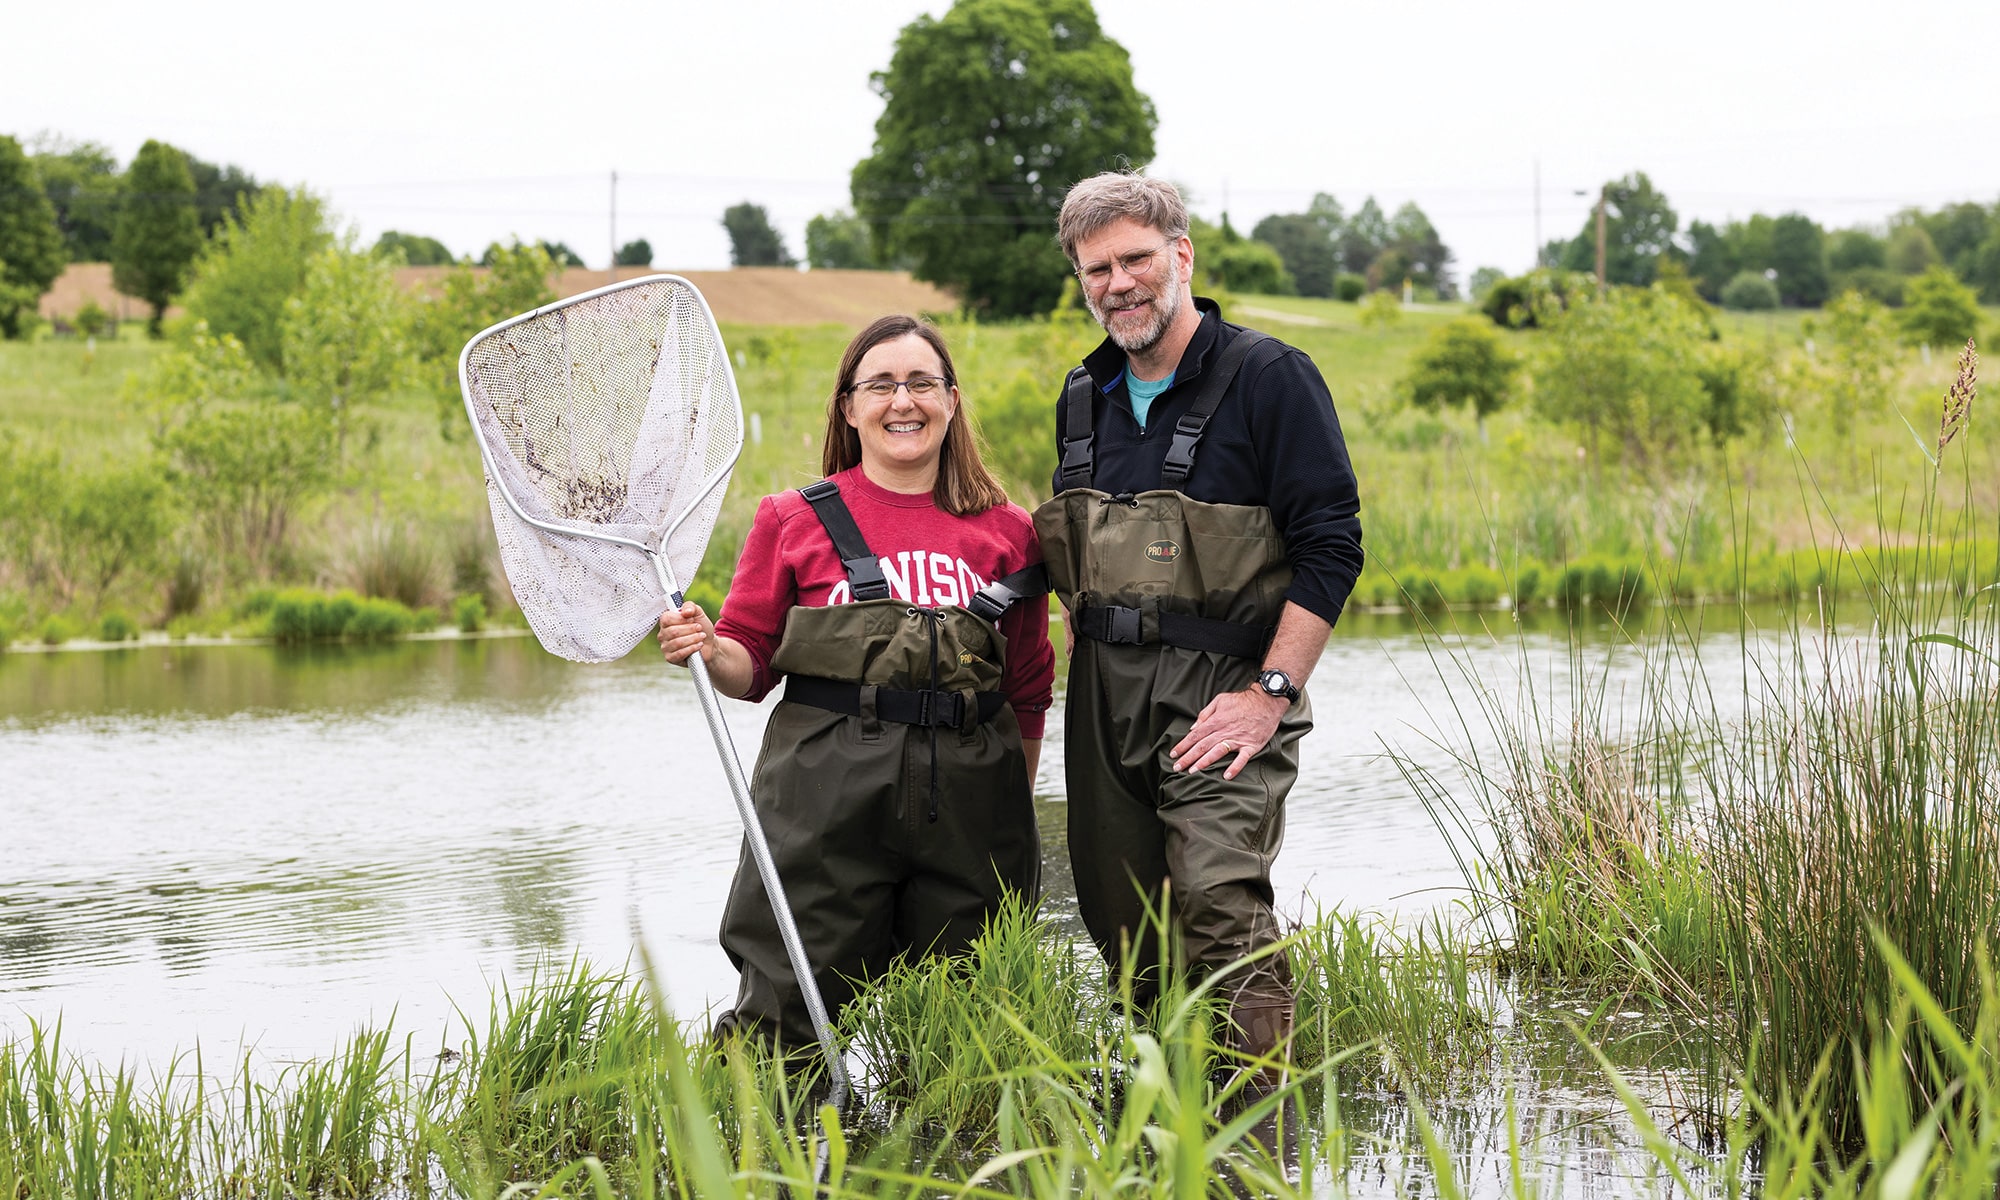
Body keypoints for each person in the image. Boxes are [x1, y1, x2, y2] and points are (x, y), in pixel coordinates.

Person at [1036, 172, 1363, 1085]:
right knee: (1126, 928)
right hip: (1103, 701)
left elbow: (1332, 550)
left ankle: (1263, 1134)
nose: (1118, 283)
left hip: (1226, 691)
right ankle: (1162, 1138)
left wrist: (1271, 694)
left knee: (1220, 902)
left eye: (1136, 257)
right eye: (1095, 268)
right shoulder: (1082, 397)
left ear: (1181, 255)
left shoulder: (1271, 378)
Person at [659, 314, 1055, 1050]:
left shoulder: (1009, 531)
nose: (902, 401)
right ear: (849, 407)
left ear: (952, 400)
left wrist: (1014, 805)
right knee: (783, 1021)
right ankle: (761, 1156)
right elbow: (750, 665)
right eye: (881, 384)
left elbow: (1028, 687)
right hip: (821, 814)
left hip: (972, 815)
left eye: (921, 383)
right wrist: (710, 649)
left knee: (965, 1032)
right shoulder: (791, 519)